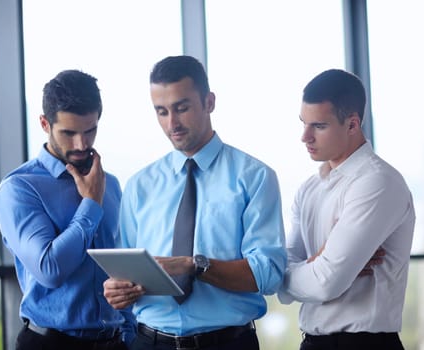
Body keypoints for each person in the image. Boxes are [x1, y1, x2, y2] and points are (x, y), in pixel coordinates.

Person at [103, 55, 287, 350]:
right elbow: (129, 272)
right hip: (149, 342)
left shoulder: (254, 177)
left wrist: (193, 265)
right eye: (161, 112)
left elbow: (267, 275)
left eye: (182, 108)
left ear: (209, 102)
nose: (171, 123)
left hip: (226, 343)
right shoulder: (139, 185)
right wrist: (118, 290)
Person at [0, 69, 136, 350]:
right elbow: (49, 269)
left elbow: (122, 266)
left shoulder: (112, 185)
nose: (82, 144)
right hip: (50, 344)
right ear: (45, 123)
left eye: (90, 130)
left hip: (114, 342)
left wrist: (131, 335)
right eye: (69, 133)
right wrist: (91, 204)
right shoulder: (19, 188)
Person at [277, 69, 416, 350]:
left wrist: (298, 272)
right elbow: (282, 274)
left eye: (319, 126)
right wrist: (314, 264)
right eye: (303, 123)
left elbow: (326, 283)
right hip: (312, 343)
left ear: (352, 125)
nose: (305, 136)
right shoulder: (308, 189)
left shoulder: (378, 182)